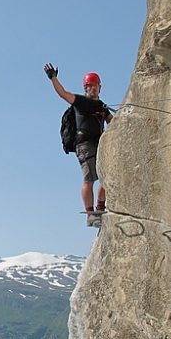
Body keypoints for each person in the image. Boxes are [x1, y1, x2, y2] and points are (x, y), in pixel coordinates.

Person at [44, 63, 113, 226]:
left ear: (99, 87)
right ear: (85, 88)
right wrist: (53, 78)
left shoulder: (102, 107)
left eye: (94, 86)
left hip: (98, 144)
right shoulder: (81, 102)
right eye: (89, 86)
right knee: (89, 179)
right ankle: (90, 214)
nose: (92, 89)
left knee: (106, 176)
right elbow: (63, 94)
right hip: (84, 145)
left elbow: (112, 122)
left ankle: (99, 208)